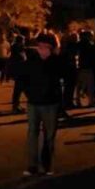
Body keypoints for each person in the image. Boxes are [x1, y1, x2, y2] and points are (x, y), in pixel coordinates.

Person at [19, 33, 65, 176]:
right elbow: (23, 79)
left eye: (45, 47)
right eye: (40, 47)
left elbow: (66, 77)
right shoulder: (31, 62)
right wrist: (29, 94)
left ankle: (46, 165)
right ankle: (32, 165)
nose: (42, 50)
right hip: (34, 103)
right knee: (32, 134)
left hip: (51, 103)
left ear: (51, 48)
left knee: (49, 136)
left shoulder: (57, 62)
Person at [10, 34, 28, 113]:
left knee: (19, 89)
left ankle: (16, 105)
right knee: (20, 89)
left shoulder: (17, 48)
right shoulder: (18, 48)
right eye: (23, 40)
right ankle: (16, 106)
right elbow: (22, 59)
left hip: (18, 71)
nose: (24, 42)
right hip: (19, 72)